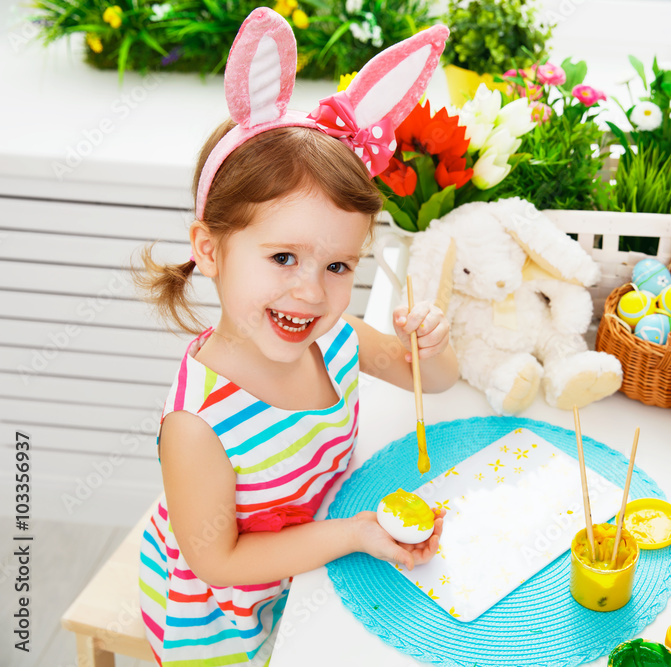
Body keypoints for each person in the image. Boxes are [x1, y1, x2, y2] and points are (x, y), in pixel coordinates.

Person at [134, 9, 454, 665]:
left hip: (323, 560)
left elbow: (437, 381)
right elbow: (218, 560)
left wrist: (430, 343)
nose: (311, 291)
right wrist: (353, 535)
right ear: (210, 249)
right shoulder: (198, 424)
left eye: (337, 266)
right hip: (230, 622)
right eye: (283, 258)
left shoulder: (333, 338)